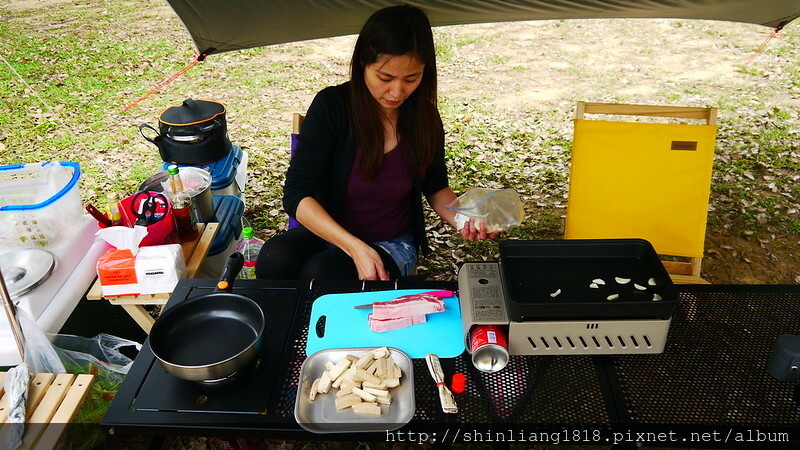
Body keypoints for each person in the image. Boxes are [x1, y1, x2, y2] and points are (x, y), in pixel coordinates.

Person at [255, 4, 499, 281]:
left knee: (322, 274)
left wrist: (464, 219)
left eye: (411, 78)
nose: (397, 92)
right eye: (385, 77)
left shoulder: (424, 118)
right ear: (363, 63)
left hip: (391, 243)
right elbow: (298, 194)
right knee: (275, 258)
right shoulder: (333, 107)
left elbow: (436, 187)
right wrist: (354, 247)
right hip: (331, 232)